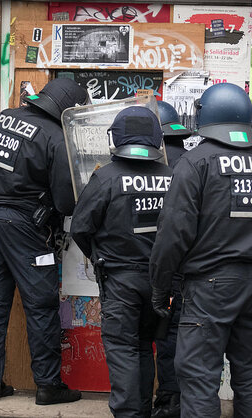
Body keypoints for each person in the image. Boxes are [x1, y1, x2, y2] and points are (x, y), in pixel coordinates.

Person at [150, 83, 252, 417]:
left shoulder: (196, 163)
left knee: (198, 378)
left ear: (206, 115)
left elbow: (173, 233)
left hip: (207, 287)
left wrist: (159, 287)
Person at [0, 78, 87, 404]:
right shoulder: (56, 138)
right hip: (23, 225)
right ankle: (49, 386)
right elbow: (66, 202)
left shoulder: (4, 118)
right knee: (41, 304)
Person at [71, 106, 173, 417]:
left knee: (125, 349)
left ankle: (131, 414)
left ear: (116, 137)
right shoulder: (172, 177)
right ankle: (141, 409)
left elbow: (80, 229)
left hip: (120, 282)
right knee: (144, 347)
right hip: (162, 282)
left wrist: (100, 258)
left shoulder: (105, 178)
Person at [151, 101, 192, 418]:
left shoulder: (155, 164)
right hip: (193, 263)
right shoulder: (190, 161)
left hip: (160, 261)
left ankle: (168, 397)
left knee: (165, 333)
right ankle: (181, 398)